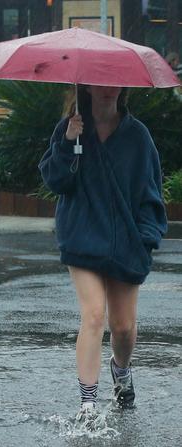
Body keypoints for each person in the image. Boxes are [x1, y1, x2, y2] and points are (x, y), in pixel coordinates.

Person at [39, 85, 167, 420]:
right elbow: (55, 182)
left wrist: (146, 238)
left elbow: (152, 193)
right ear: (88, 86)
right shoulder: (71, 127)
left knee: (123, 327)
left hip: (127, 243)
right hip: (81, 237)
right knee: (94, 315)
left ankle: (121, 369)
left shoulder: (138, 137)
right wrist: (68, 142)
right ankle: (88, 404)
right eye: (101, 82)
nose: (108, 89)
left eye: (115, 83)